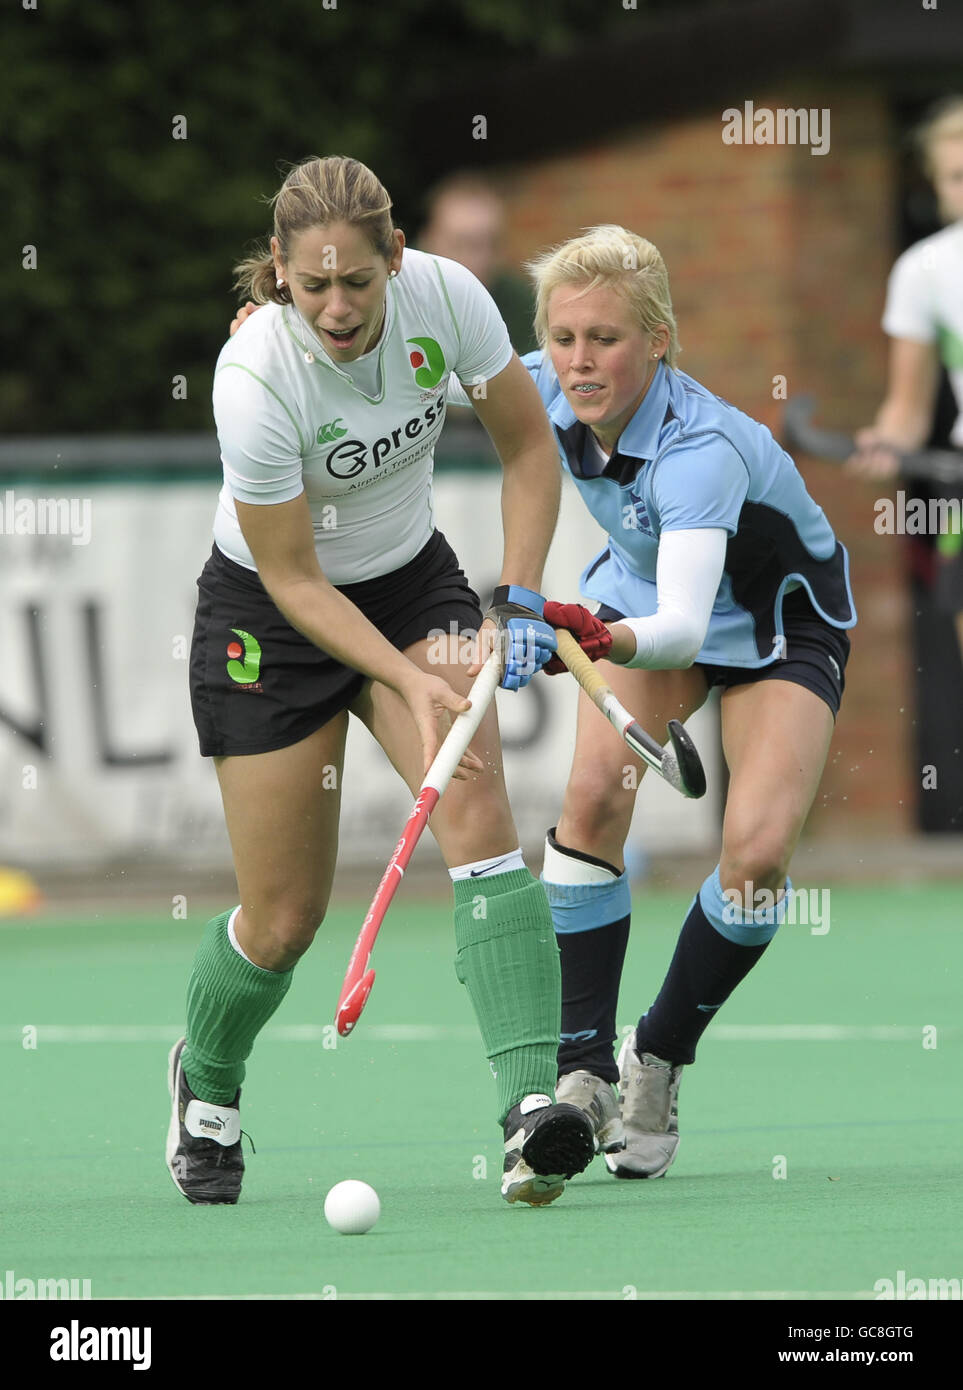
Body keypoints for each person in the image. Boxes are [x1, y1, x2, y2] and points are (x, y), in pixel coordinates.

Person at [168, 155, 599, 1210]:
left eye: (356, 281)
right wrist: (406, 683)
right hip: (274, 618)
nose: (336, 306)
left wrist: (521, 594)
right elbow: (293, 575)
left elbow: (528, 451)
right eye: (311, 285)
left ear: (393, 257)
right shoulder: (255, 378)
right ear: (277, 272)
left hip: (412, 584)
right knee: (283, 918)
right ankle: (206, 1084)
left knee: (481, 810)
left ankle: (531, 1112)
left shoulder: (446, 297)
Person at [514, 225, 858, 1176]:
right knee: (589, 800)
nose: (580, 363)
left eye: (607, 340)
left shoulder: (699, 450)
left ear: (659, 339)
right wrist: (283, 328)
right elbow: (413, 359)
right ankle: (580, 1070)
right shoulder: (537, 383)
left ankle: (657, 1052)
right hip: (640, 595)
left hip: (773, 626)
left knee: (752, 858)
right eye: (564, 336)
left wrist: (586, 632)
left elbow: (678, 627)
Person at [848, 95, 963, 663]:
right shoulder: (924, 270)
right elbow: (908, 409)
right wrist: (888, 441)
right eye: (957, 176)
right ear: (937, 184)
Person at [418, 174, 537, 355]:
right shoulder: (394, 290)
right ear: (428, 241)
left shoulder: (522, 304)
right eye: (462, 244)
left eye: (490, 244)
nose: (480, 259)